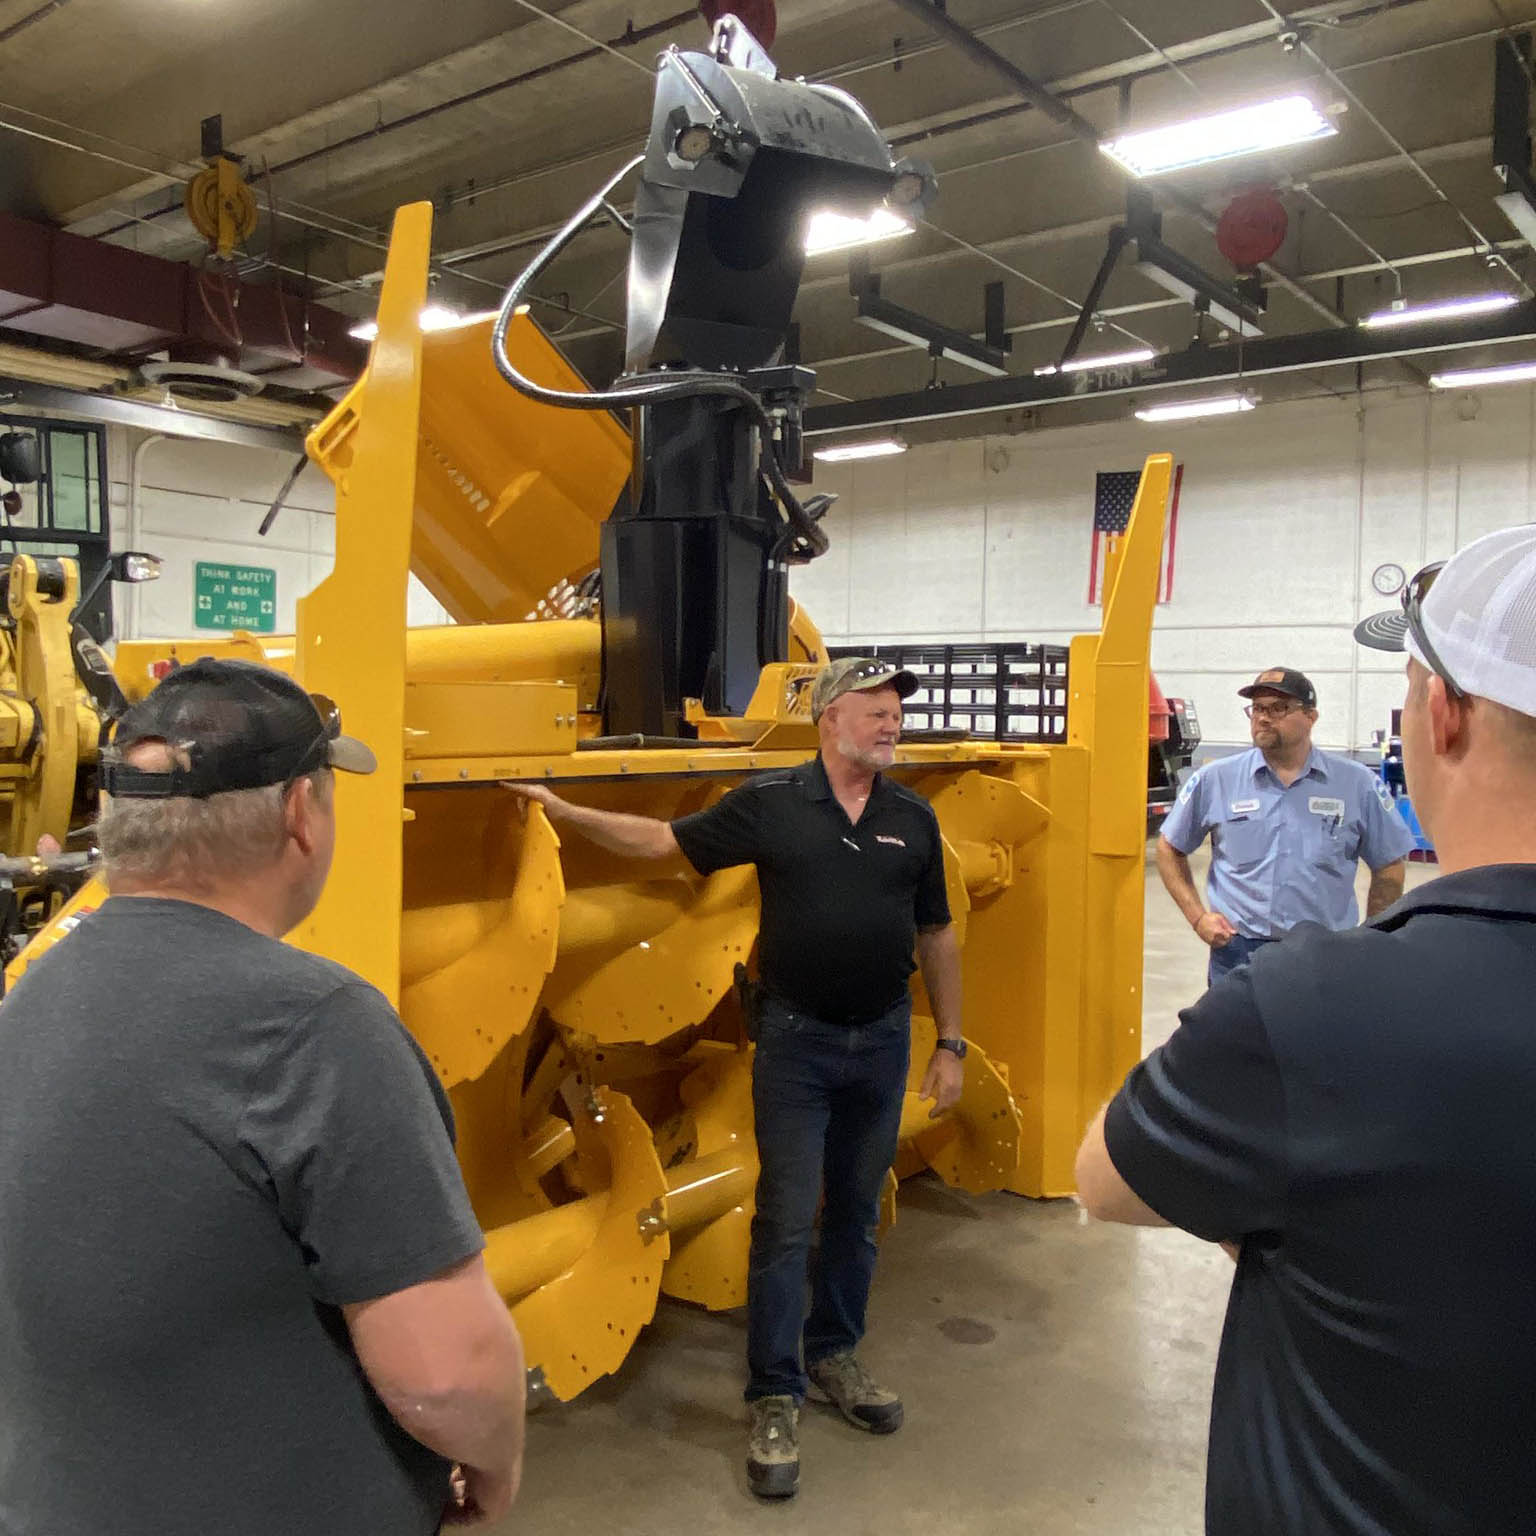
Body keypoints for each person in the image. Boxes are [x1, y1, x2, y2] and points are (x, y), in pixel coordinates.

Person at [1075, 524, 1536, 1535]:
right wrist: (1202, 919)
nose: (1262, 715)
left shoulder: (1326, 1004)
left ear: (1443, 714)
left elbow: (1107, 1179)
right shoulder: (1226, 798)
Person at [0, 659, 525, 1536]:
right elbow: (443, 1375)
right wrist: (496, 1462)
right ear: (299, 816)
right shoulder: (316, 1028)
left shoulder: (31, 996)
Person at [505, 656, 964, 1500]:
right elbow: (663, 843)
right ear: (830, 721)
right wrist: (567, 810)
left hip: (885, 1040)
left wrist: (954, 1043)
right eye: (875, 710)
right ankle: (775, 1394)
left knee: (856, 1212)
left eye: (898, 710)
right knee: (787, 1219)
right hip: (796, 1044)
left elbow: (935, 932)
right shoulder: (774, 804)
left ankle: (836, 1357)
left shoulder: (914, 819)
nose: (892, 722)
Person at [1156, 665, 1414, 984]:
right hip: (1238, 954)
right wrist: (1198, 918)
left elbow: (1389, 865)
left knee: (1316, 1035)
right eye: (1257, 708)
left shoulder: (1356, 784)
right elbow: (1169, 848)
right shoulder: (1216, 781)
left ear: (1311, 717)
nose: (1264, 717)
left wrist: (1372, 936)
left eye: (1278, 708)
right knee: (1234, 1036)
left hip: (1325, 954)